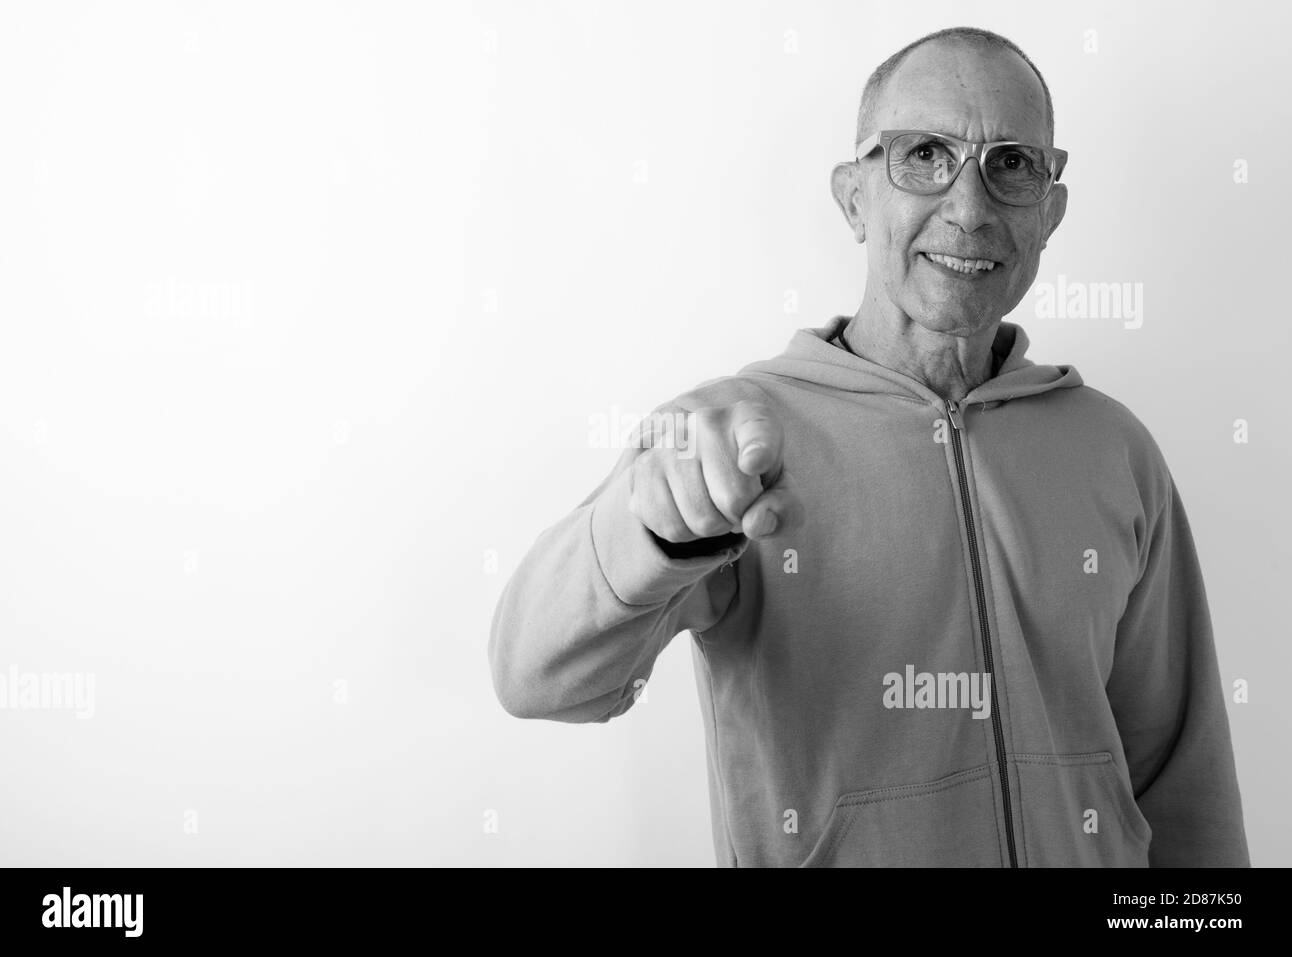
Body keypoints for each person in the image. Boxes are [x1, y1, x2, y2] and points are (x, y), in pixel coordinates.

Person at [488, 26, 1250, 867]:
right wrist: (654, 534)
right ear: (854, 198)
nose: (969, 207)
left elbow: (1183, 779)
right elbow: (535, 678)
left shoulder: (1116, 448)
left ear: (1050, 211)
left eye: (1011, 164)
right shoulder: (731, 438)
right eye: (924, 154)